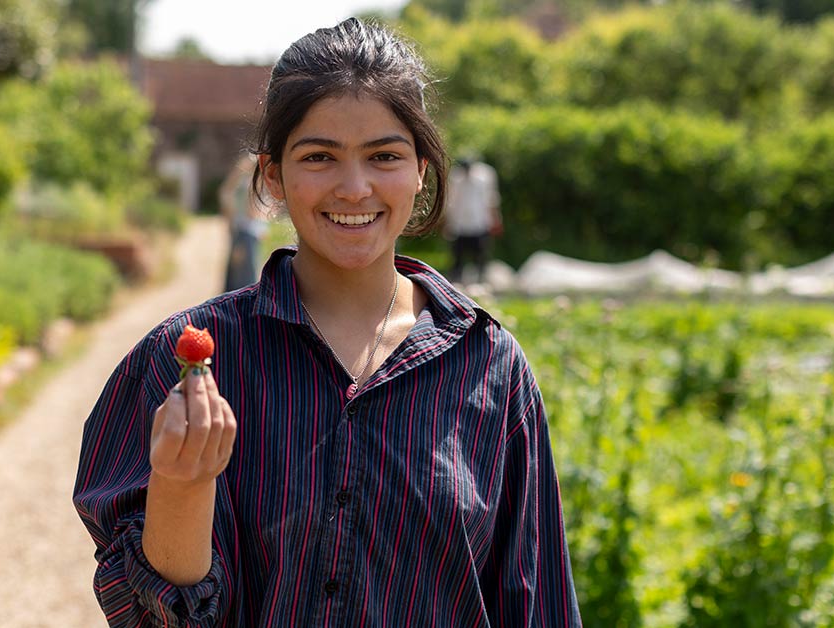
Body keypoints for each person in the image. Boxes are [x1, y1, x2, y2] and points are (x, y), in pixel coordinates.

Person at [73, 18, 580, 627]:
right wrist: (182, 485)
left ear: (421, 168)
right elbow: (153, 620)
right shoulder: (184, 364)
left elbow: (537, 602)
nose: (355, 186)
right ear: (272, 176)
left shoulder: (489, 368)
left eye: (384, 155)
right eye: (320, 156)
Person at [443, 156, 502, 285]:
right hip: (460, 223)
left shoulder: (485, 175)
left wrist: (495, 219)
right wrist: (448, 222)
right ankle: (456, 280)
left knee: (481, 253)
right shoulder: (455, 177)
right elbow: (450, 201)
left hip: (480, 221)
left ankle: (481, 279)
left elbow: (491, 198)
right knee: (457, 254)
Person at [219, 152, 271, 292]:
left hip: (247, 231)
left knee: (242, 273)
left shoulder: (250, 183)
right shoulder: (248, 183)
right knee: (245, 275)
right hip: (246, 230)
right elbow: (251, 210)